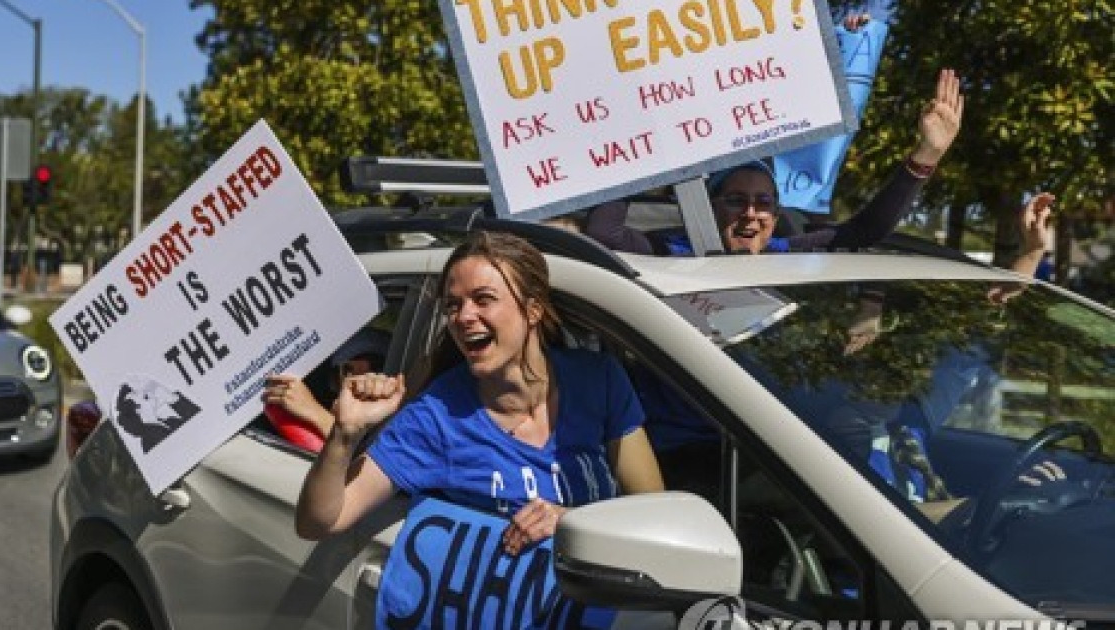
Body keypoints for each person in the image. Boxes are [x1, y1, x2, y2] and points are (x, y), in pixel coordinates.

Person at [291, 231, 664, 557]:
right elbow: (319, 522)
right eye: (453, 305)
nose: (464, 316)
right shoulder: (436, 417)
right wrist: (344, 433)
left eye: (483, 299)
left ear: (532, 310)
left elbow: (653, 512)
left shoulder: (598, 380)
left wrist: (571, 523)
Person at [586, 68, 965, 256]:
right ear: (709, 204)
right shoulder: (670, 249)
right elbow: (605, 235)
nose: (752, 213)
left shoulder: (784, 252)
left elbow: (865, 232)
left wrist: (926, 156)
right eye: (736, 200)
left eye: (764, 202)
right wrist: (640, 138)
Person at [263, 328, 391, 452]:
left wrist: (312, 409)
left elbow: (368, 461)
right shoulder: (302, 415)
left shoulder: (396, 422)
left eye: (375, 368)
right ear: (337, 384)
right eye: (348, 370)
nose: (363, 380)